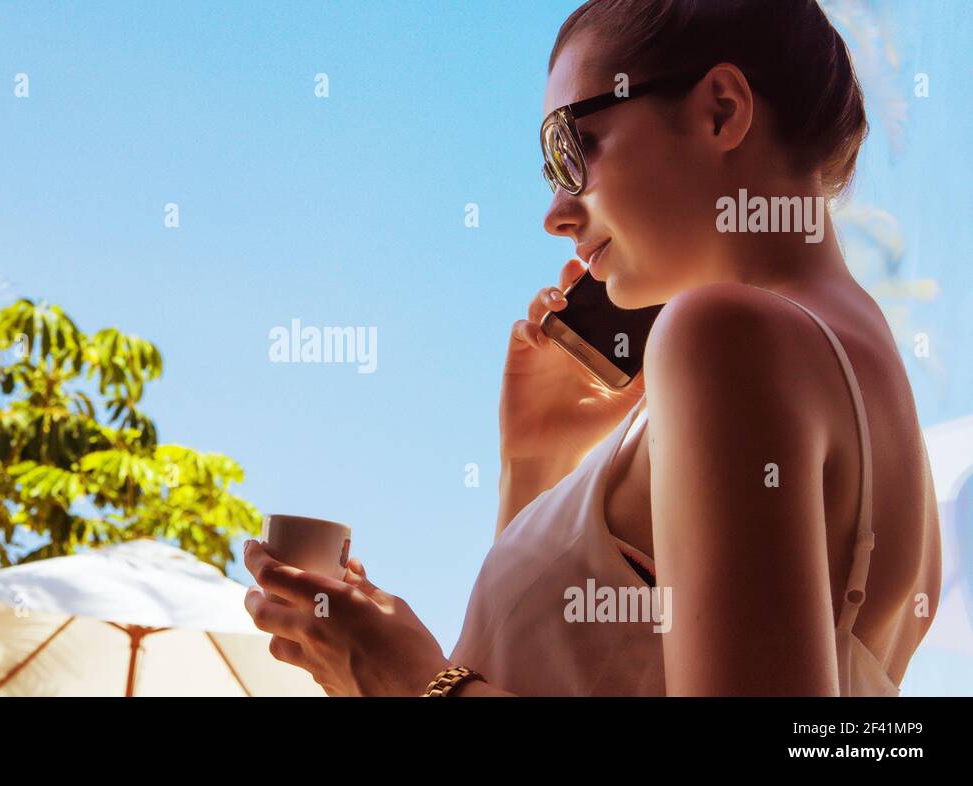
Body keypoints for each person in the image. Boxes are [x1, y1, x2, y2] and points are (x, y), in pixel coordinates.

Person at [243, 0, 942, 696]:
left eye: (571, 149)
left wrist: (408, 682)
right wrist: (535, 460)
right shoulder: (864, 393)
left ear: (722, 111)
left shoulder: (722, 335)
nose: (555, 214)